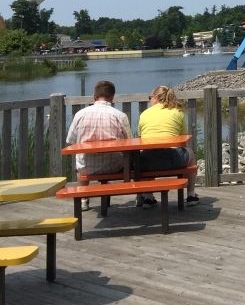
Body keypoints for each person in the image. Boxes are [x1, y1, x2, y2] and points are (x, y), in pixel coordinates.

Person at [65, 80, 131, 211]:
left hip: (86, 167)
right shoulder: (120, 116)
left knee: (80, 162)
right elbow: (129, 142)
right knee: (132, 158)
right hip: (114, 165)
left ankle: (84, 199)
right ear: (112, 98)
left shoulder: (80, 114)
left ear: (94, 97)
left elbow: (71, 141)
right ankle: (141, 195)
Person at [137, 86, 198, 207]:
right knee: (190, 152)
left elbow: (140, 137)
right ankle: (191, 195)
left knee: (147, 153)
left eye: (150, 98)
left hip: (147, 163)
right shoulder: (178, 112)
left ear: (155, 98)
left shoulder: (144, 114)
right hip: (172, 160)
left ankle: (148, 197)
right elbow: (183, 138)